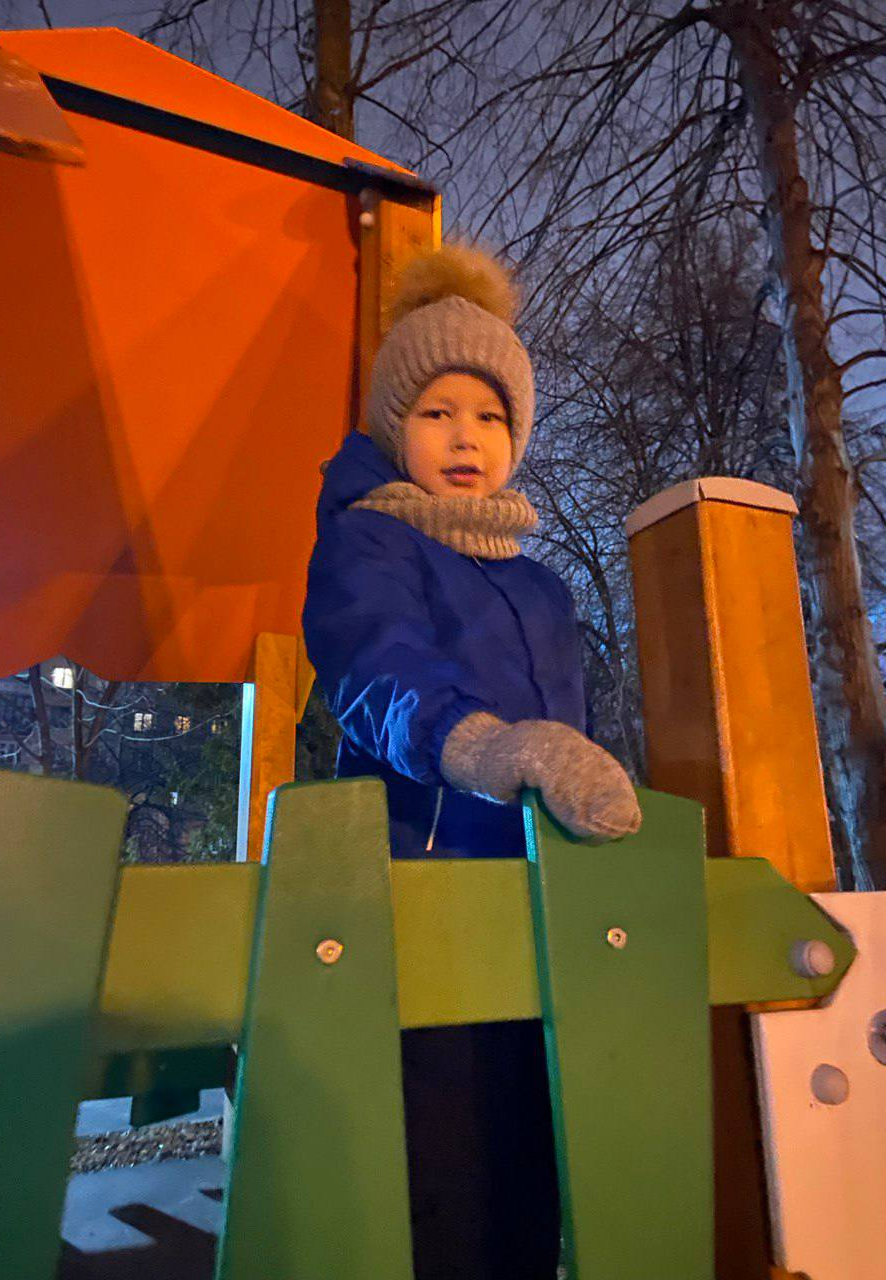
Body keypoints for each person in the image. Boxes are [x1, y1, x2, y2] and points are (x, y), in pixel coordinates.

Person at [302, 241, 641, 1280]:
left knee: (534, 1158)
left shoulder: (539, 585)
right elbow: (375, 665)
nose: (466, 436)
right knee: (440, 1168)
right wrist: (487, 743)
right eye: (438, 410)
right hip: (423, 890)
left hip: (543, 907)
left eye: (491, 416)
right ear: (394, 425)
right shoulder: (371, 543)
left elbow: (573, 723)